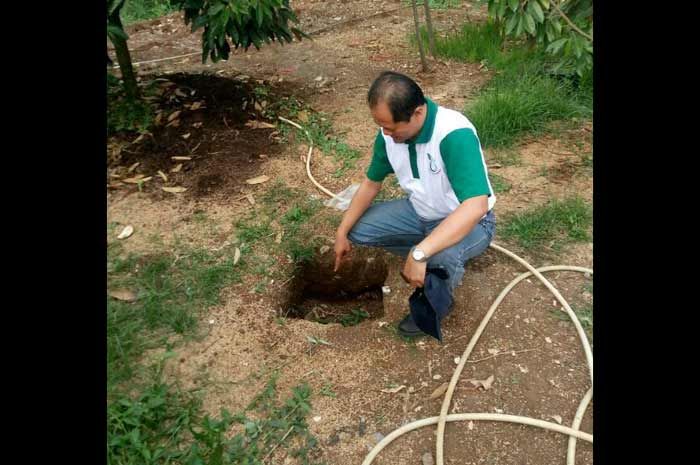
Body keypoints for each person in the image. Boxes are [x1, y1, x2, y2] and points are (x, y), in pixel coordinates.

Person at [333, 71, 496, 337]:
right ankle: (428, 251)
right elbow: (371, 183)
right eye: (381, 126)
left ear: (418, 113)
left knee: (441, 255)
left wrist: (421, 253)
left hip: (471, 223)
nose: (386, 133)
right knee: (358, 229)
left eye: (391, 127)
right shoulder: (389, 136)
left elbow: (476, 206)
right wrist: (341, 232)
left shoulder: (454, 134)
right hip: (419, 212)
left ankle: (435, 304)